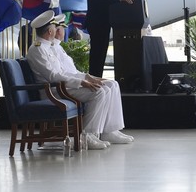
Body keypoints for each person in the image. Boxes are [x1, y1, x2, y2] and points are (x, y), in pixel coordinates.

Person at [25, 9, 134, 149]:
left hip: (63, 87)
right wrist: (81, 82)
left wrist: (86, 77)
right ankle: (88, 135)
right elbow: (52, 76)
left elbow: (65, 71)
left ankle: (108, 130)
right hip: (53, 91)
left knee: (110, 86)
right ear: (50, 32)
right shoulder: (38, 50)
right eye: (55, 27)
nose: (58, 30)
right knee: (99, 92)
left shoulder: (50, 47)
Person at [85, 0, 133, 77]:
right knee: (97, 53)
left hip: (104, 24)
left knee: (101, 54)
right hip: (98, 25)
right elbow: (102, 2)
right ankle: (95, 77)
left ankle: (98, 77)